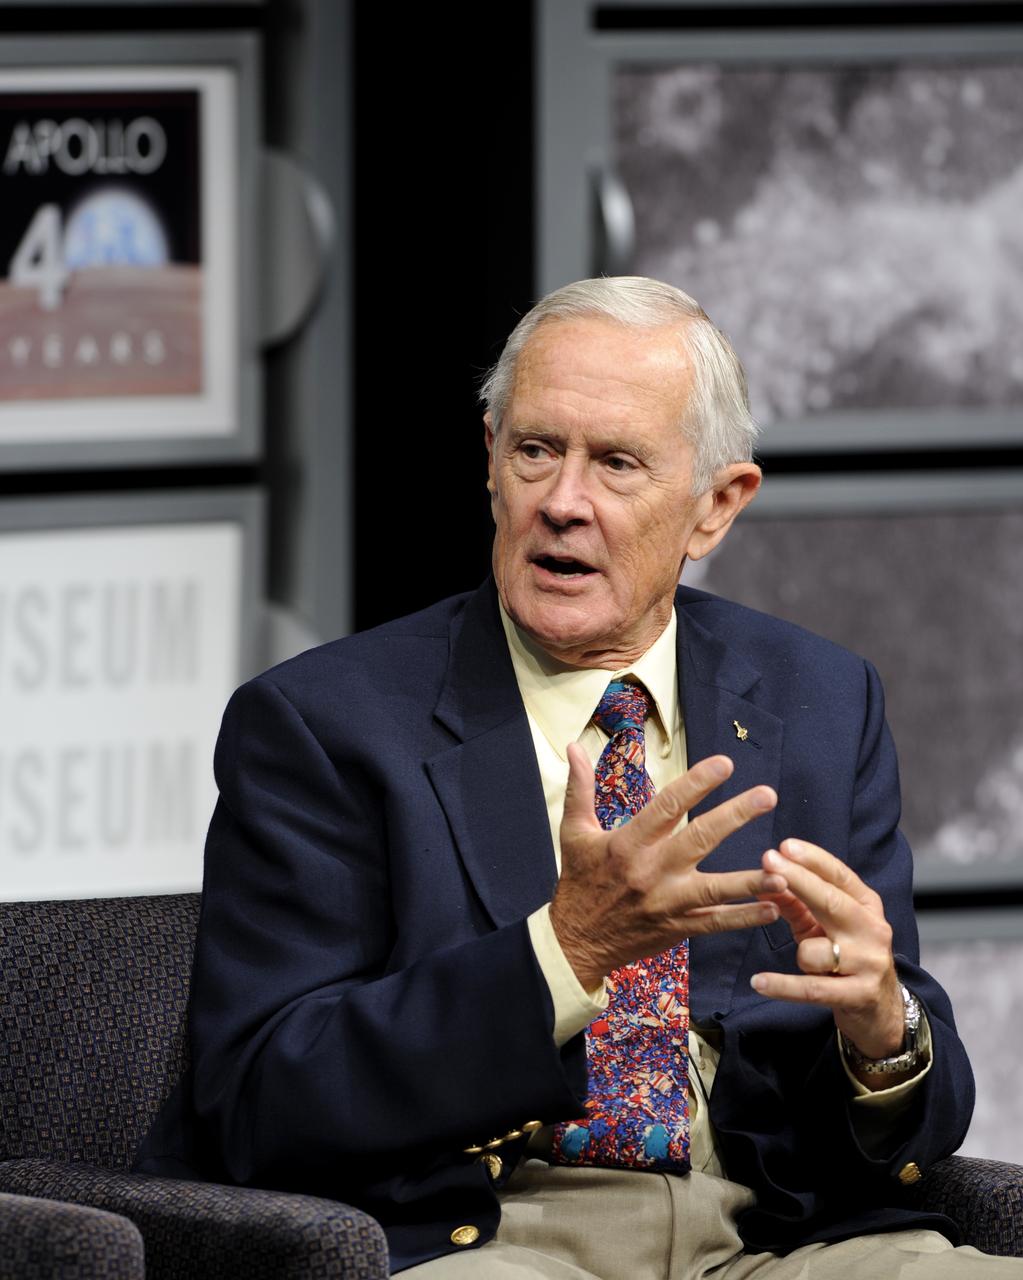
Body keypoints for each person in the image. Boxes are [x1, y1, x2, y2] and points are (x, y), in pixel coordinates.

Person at [136, 277, 1018, 1277]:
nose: (563, 502)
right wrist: (567, 949)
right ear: (490, 461)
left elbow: (920, 1101)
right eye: (537, 451)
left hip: (772, 1242)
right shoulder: (327, 724)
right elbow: (261, 1098)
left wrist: (882, 1028)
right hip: (489, 1232)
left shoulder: (820, 696)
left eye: (618, 463)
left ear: (716, 506)